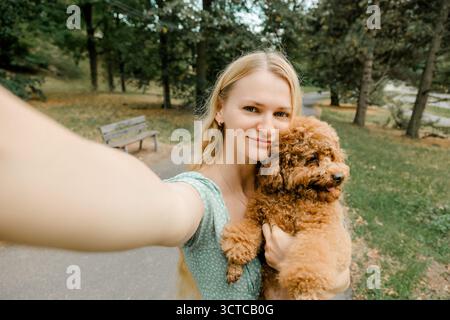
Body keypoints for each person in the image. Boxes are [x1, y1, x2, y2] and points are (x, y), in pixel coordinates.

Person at [0, 50, 350, 299]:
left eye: (281, 114)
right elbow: (147, 202)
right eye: (252, 108)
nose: (267, 126)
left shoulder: (292, 184)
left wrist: (305, 267)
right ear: (221, 111)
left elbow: (341, 269)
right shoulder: (197, 198)